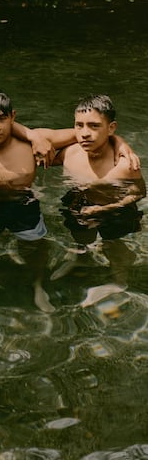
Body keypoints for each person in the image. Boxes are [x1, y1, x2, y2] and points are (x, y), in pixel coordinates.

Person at [0, 89, 85, 313]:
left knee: (35, 247)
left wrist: (120, 145)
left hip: (22, 204)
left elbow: (86, 134)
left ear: (13, 117)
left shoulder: (36, 141)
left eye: (2, 119)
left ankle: (38, 283)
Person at [50, 94, 146, 306]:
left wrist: (106, 208)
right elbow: (34, 141)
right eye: (79, 125)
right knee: (80, 235)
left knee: (113, 244)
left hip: (115, 209)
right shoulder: (68, 154)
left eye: (94, 126)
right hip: (81, 202)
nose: (84, 133)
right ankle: (82, 257)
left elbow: (139, 193)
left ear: (111, 128)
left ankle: (119, 281)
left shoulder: (124, 164)